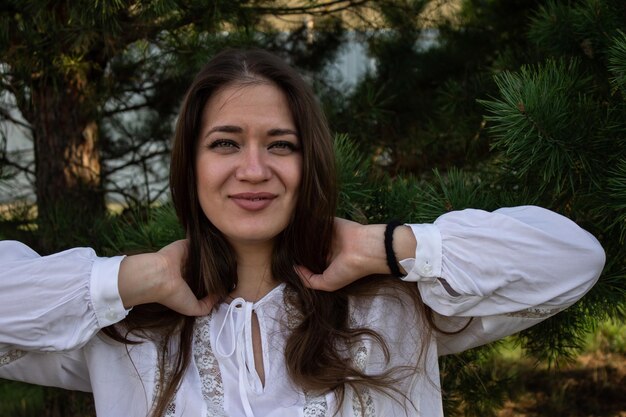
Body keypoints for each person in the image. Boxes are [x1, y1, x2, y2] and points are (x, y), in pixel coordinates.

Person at [0, 48, 605, 417]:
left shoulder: (394, 309)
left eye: (280, 145)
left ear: (308, 162)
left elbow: (574, 258)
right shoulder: (126, 330)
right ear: (191, 165)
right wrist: (135, 277)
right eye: (225, 143)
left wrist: (387, 246)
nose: (254, 169)